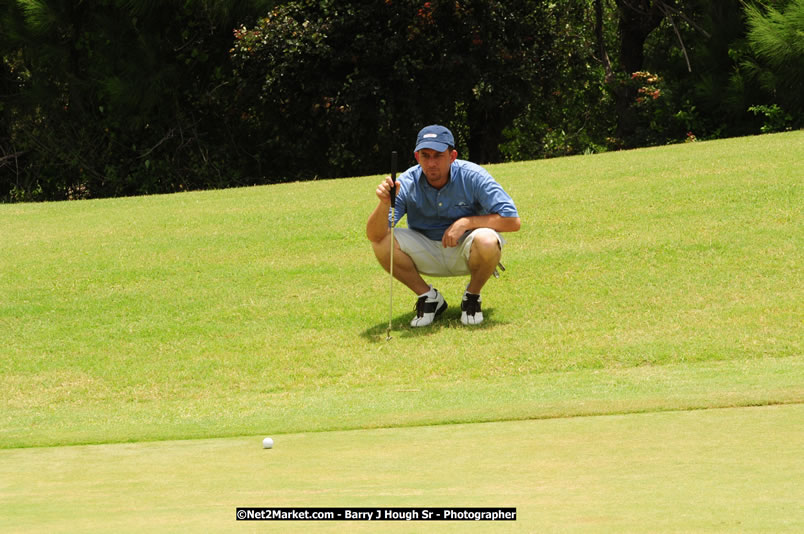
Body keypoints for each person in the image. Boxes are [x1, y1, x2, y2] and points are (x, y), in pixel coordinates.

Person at [366, 124, 520, 327]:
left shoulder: (473, 176)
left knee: (487, 239)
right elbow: (374, 235)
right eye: (425, 155)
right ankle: (428, 298)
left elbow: (512, 221)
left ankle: (472, 296)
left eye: (438, 155)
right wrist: (384, 203)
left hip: (467, 249)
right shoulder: (406, 182)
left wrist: (466, 222)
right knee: (382, 242)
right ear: (417, 157)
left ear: (452, 155)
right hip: (426, 250)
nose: (431, 163)